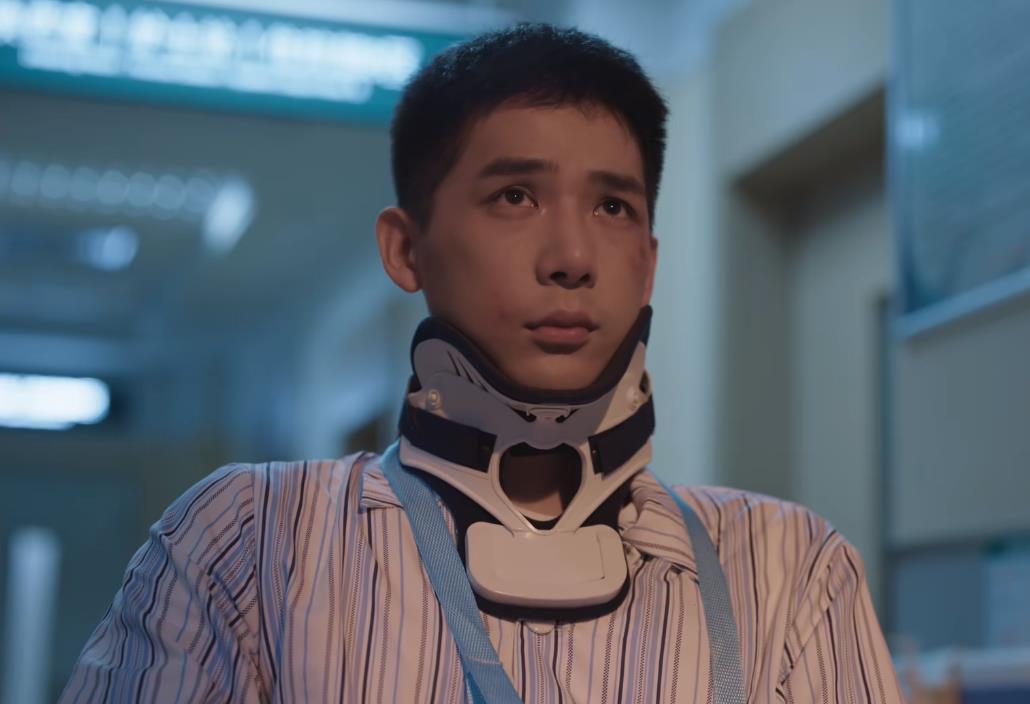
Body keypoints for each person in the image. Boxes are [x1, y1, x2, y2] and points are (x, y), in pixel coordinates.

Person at [60, 23, 904, 703]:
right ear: (406, 249)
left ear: (648, 264)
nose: (572, 257)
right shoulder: (249, 544)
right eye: (515, 196)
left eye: (613, 206)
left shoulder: (792, 570)